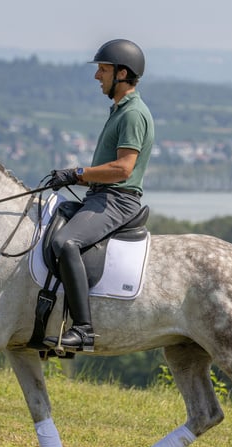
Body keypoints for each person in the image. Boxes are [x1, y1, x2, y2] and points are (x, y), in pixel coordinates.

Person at [43, 39, 155, 353]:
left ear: (123, 73)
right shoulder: (120, 111)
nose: (97, 77)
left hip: (117, 199)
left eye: (103, 70)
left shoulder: (133, 115)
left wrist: (77, 174)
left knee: (65, 242)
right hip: (101, 195)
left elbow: (122, 169)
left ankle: (83, 330)